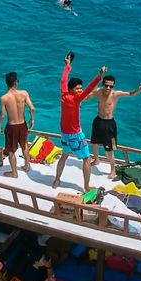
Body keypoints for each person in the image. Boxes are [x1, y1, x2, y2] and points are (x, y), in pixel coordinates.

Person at [52, 56, 106, 191]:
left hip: (64, 134)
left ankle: (56, 180)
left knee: (64, 156)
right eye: (78, 89)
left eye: (80, 88)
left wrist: (67, 65)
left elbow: (63, 80)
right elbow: (89, 89)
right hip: (75, 135)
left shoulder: (64, 95)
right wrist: (99, 76)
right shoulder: (76, 99)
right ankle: (87, 186)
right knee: (86, 159)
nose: (80, 91)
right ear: (72, 90)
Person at [86, 75, 141, 179]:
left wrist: (138, 90)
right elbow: (86, 97)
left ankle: (113, 169)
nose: (108, 88)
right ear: (102, 84)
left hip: (110, 125)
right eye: (106, 85)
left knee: (109, 149)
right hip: (98, 121)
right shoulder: (98, 92)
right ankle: (96, 160)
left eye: (110, 86)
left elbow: (130, 94)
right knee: (94, 143)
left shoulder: (116, 94)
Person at [0, 72, 35, 178]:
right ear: (15, 83)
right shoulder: (24, 93)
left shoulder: (4, 98)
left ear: (7, 83)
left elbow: (2, 115)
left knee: (10, 150)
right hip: (22, 125)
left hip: (12, 126)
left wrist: (0, 127)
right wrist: (32, 120)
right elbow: (32, 108)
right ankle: (27, 165)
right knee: (24, 146)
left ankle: (14, 172)